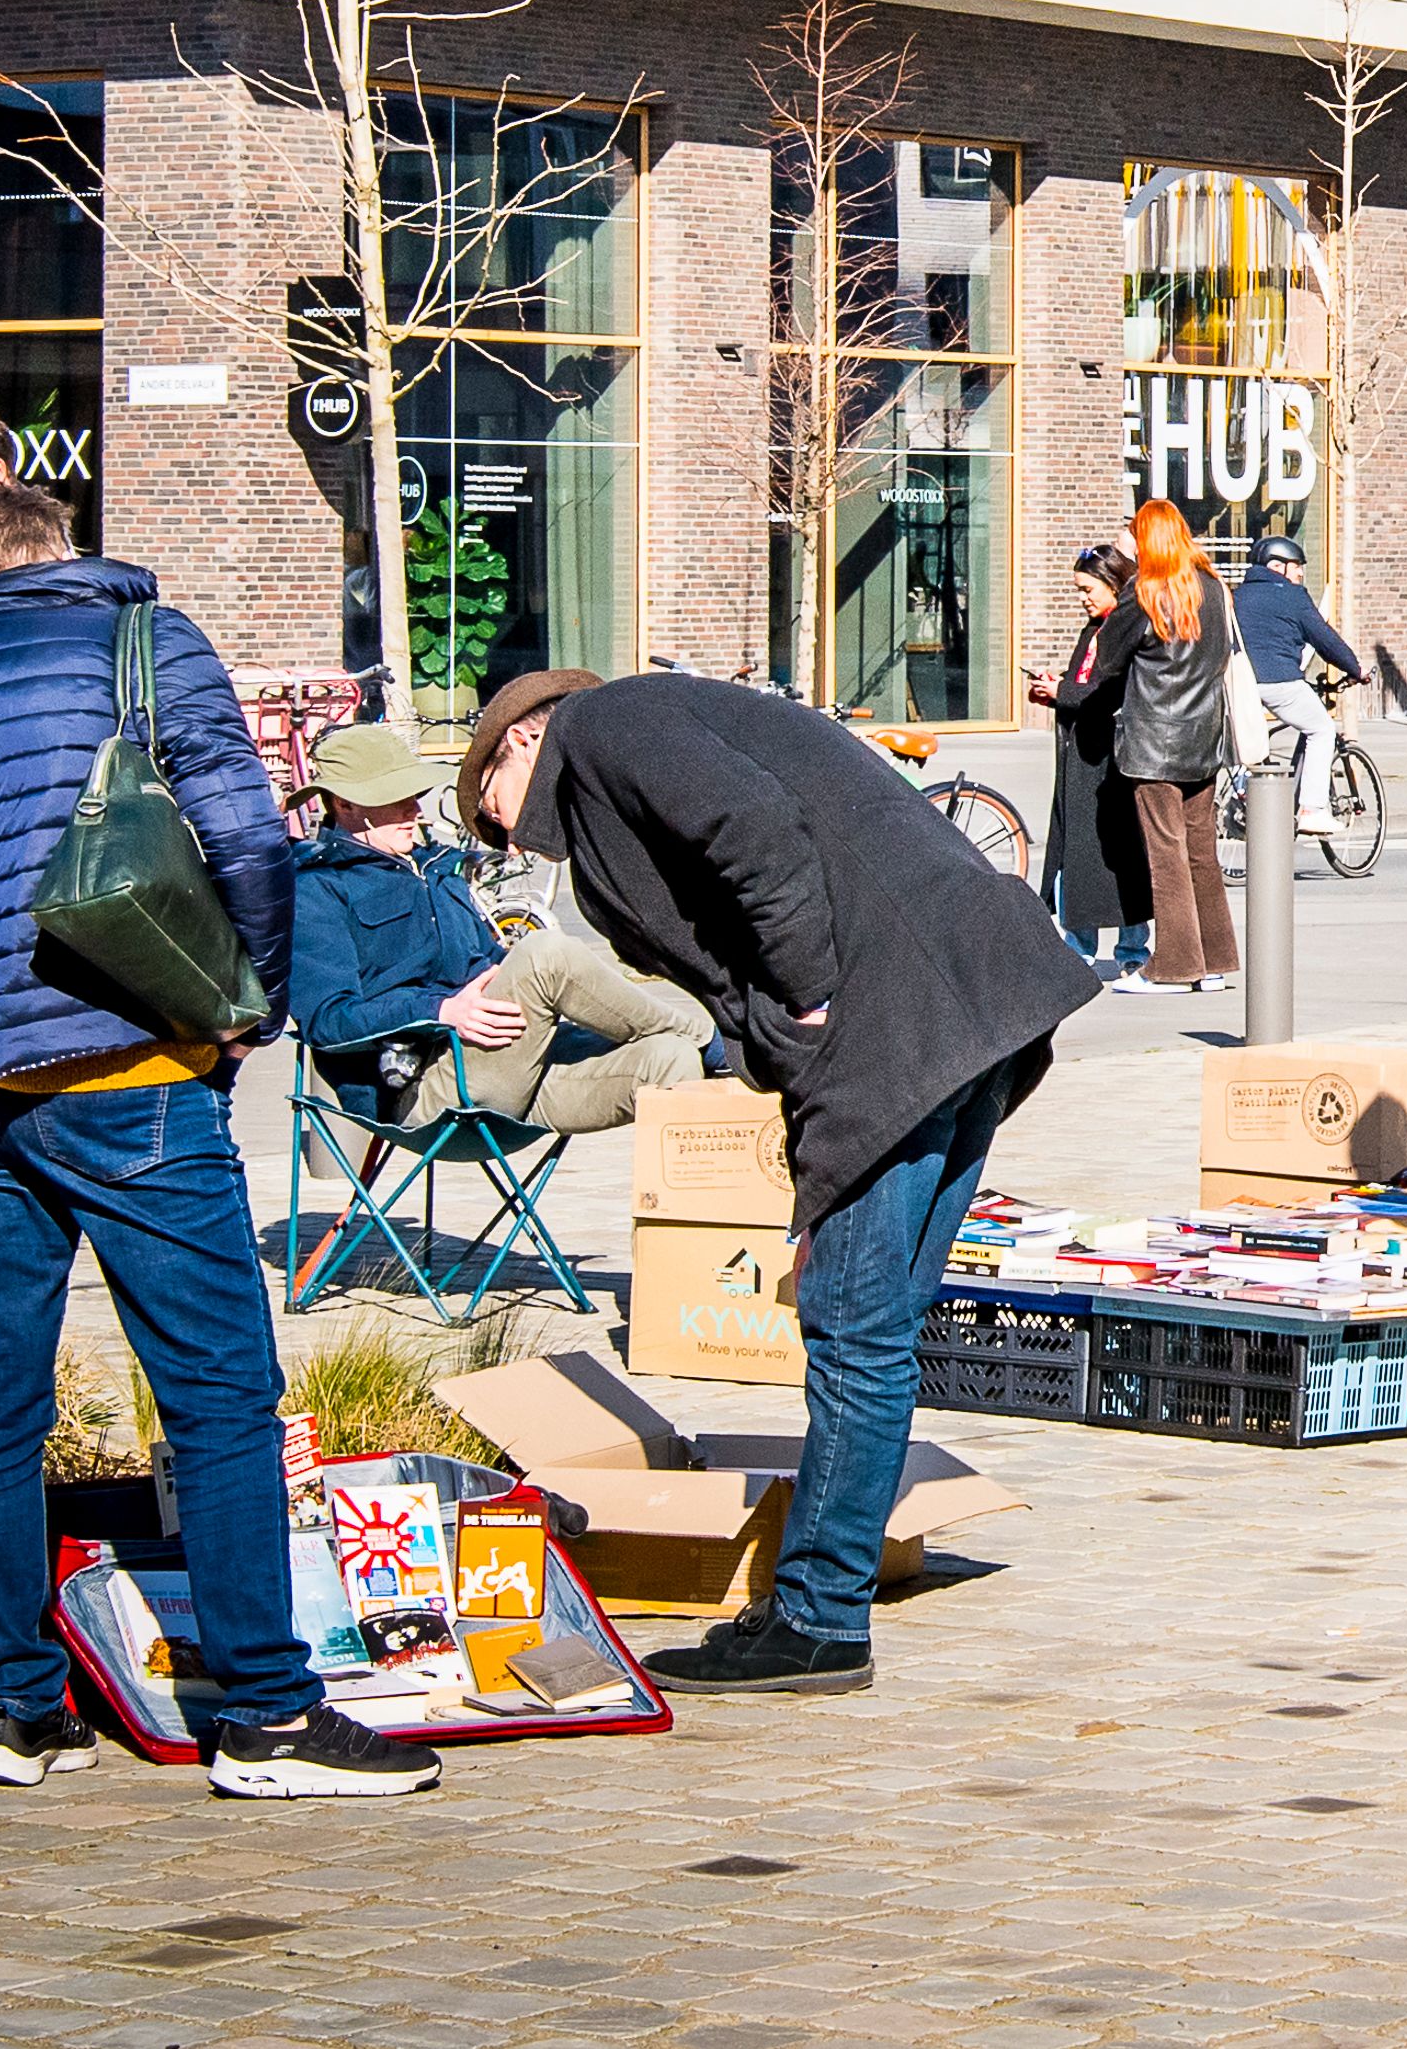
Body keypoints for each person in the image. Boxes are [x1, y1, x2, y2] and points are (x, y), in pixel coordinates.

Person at [0, 480, 432, 1799]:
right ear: (64, 554)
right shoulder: (148, 643)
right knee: (216, 1392)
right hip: (131, 1064)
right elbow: (245, 842)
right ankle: (266, 1715)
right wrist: (246, 1011)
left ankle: (12, 1711)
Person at [461, 660, 1102, 1692]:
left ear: (519, 741)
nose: (500, 837)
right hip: (946, 1006)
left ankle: (817, 1618)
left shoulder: (609, 723)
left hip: (896, 1019)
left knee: (854, 1330)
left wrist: (804, 997)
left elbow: (754, 837)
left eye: (486, 806)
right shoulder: (619, 747)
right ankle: (819, 1603)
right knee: (872, 1324)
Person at [281, 721, 707, 1136]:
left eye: (413, 793)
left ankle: (677, 1204)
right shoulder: (319, 889)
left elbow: (486, 963)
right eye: (394, 798)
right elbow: (327, 1022)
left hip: (506, 1065)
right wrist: (441, 1011)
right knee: (545, 953)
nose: (414, 808)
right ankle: (714, 1040)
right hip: (424, 1087)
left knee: (671, 1059)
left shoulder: (435, 869)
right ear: (344, 804)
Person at [1108, 503, 1239, 991]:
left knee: (1167, 854)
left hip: (1153, 740)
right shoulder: (1211, 588)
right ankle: (1218, 960)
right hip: (1203, 737)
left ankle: (1175, 964)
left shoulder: (1142, 593)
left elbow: (1108, 660)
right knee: (1202, 852)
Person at [1030, 544, 1148, 980]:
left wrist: (1061, 692)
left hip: (1112, 755)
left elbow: (1110, 692)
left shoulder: (1125, 629)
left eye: (1087, 588)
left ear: (1114, 585)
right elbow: (1082, 682)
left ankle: (1132, 946)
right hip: (1081, 753)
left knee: (1119, 853)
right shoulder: (1092, 630)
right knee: (1075, 852)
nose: (1083, 597)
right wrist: (1055, 689)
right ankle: (1078, 945)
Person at [1231, 532, 1371, 881]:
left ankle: (1241, 790)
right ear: (1277, 566)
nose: (1300, 576)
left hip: (1239, 682)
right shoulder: (1292, 596)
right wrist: (1355, 669)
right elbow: (1324, 639)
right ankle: (1311, 808)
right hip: (1280, 680)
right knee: (1321, 729)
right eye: (1297, 568)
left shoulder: (1238, 595)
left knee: (1246, 737)